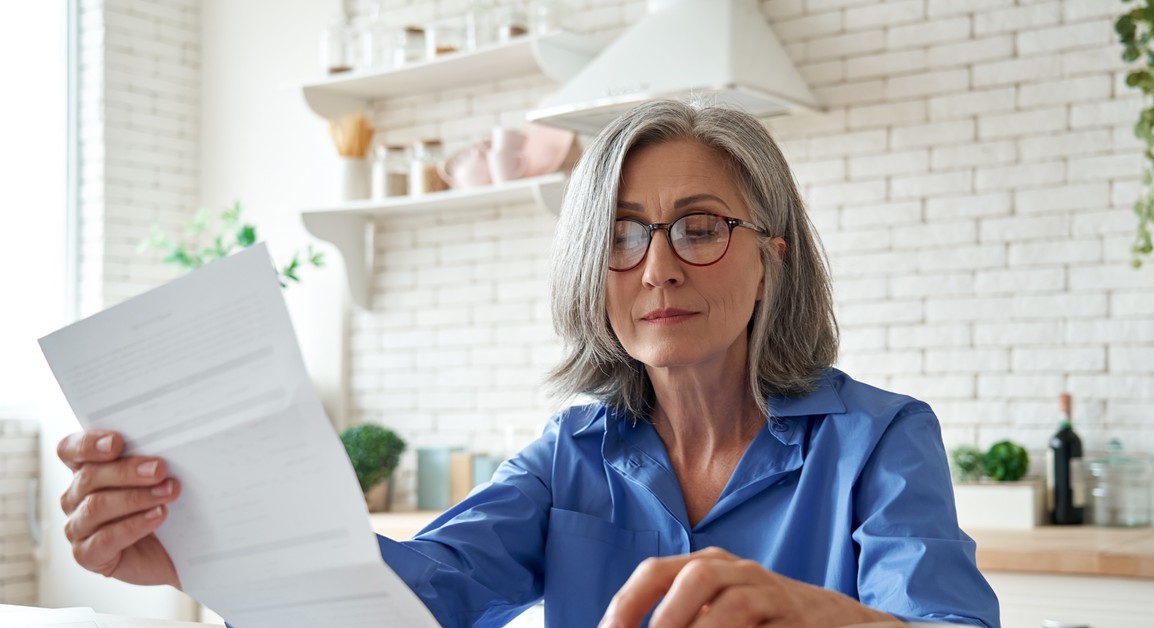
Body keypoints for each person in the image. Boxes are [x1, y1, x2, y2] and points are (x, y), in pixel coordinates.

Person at [57, 100, 1000, 627]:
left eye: (699, 228)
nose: (659, 264)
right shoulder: (570, 457)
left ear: (771, 259)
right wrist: (200, 550)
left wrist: (809, 617)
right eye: (623, 236)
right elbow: (412, 592)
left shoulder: (878, 441)